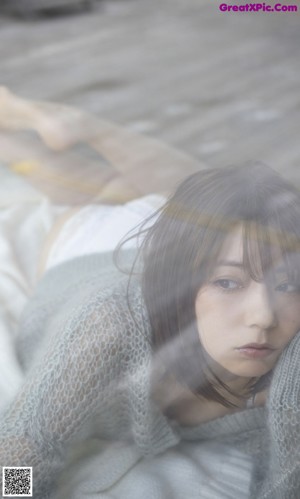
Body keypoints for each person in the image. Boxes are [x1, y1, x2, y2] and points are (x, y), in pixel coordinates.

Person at [1, 92, 300, 498]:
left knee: (224, 209)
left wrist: (289, 405)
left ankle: (71, 126)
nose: (264, 317)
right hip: (92, 244)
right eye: (228, 285)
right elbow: (23, 450)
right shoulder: (107, 324)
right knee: (97, 191)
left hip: (213, 246)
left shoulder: (288, 353)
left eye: (288, 286)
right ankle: (72, 125)